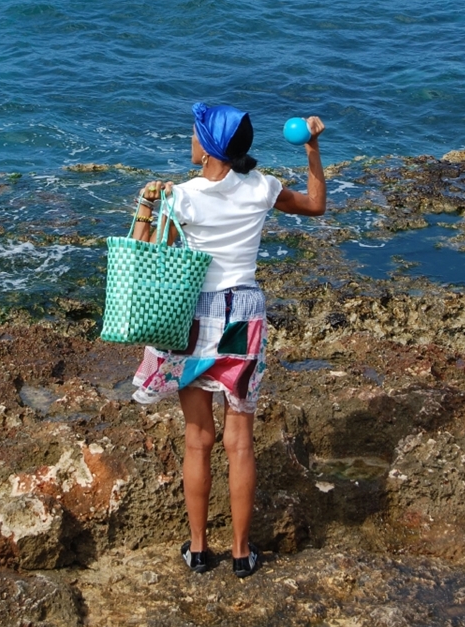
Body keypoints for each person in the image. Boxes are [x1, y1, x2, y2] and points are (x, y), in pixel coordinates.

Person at [130, 102, 326, 576]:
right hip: (243, 313)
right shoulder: (262, 187)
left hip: (191, 317)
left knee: (198, 439)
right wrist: (313, 148)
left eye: (195, 135)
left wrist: (146, 205)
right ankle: (241, 553)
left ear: (208, 147)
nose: (191, 141)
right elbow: (316, 205)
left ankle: (198, 550)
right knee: (240, 442)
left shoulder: (181, 196)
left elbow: (145, 258)